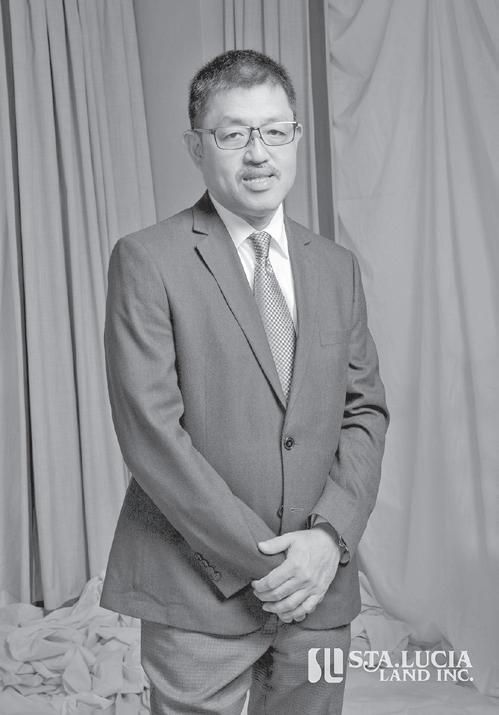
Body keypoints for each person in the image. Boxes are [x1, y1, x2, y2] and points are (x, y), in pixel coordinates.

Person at [101, 49, 389, 715]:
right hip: (197, 588)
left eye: (275, 131)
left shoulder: (336, 267)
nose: (258, 153)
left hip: (318, 588)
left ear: (295, 138)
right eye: (233, 133)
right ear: (196, 146)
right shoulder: (147, 259)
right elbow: (152, 437)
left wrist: (328, 539)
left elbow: (364, 411)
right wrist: (272, 566)